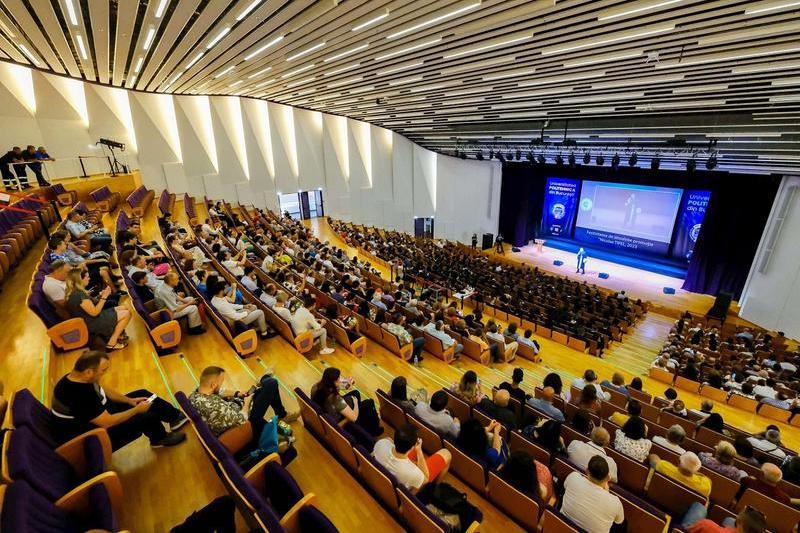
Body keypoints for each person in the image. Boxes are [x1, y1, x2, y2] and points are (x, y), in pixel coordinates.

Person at [51, 350, 187, 449]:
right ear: (88, 372)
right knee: (146, 415)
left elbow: (103, 389)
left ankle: (175, 417)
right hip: (94, 433)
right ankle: (159, 439)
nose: (105, 373)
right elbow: (107, 423)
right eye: (103, 370)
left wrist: (129, 401)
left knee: (142, 394)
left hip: (100, 414)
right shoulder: (80, 395)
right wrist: (136, 410)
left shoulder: (77, 376)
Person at [189, 366, 293, 446]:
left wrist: (237, 393)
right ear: (213, 385)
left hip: (234, 407)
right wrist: (247, 402)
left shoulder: (195, 394)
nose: (221, 384)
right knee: (272, 384)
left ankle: (280, 411)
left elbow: (219, 391)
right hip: (247, 421)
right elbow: (242, 420)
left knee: (262, 389)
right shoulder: (214, 408)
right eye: (221, 382)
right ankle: (265, 380)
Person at [65, 269, 131, 351]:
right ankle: (112, 342)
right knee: (126, 314)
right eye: (87, 277)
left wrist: (100, 296)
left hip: (90, 319)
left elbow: (90, 306)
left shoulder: (76, 292)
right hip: (92, 323)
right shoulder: (79, 295)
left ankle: (117, 334)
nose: (89, 279)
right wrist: (104, 297)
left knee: (123, 308)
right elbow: (94, 312)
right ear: (80, 279)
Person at [372, 424, 451, 493]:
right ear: (412, 447)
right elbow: (426, 479)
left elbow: (388, 441)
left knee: (388, 439)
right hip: (407, 482)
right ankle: (435, 486)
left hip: (380, 477)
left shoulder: (381, 443)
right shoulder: (415, 473)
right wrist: (419, 451)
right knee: (446, 453)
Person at [560, 456, 625, 533]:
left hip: (558, 528)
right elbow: (619, 521)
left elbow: (565, 486)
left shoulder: (573, 477)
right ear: (608, 478)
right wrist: (606, 493)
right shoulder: (615, 503)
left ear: (587, 471)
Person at [311, 367, 382, 436]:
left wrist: (345, 384)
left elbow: (340, 388)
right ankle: (373, 430)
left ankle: (362, 421)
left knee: (356, 393)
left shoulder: (316, 387)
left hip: (330, 411)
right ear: (333, 382)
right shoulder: (336, 399)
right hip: (339, 420)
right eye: (338, 379)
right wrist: (355, 403)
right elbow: (354, 417)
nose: (340, 379)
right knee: (369, 403)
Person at [682, 504, 767, 533]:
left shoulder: (706, 525)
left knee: (699, 507)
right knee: (729, 520)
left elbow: (680, 530)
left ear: (740, 523)